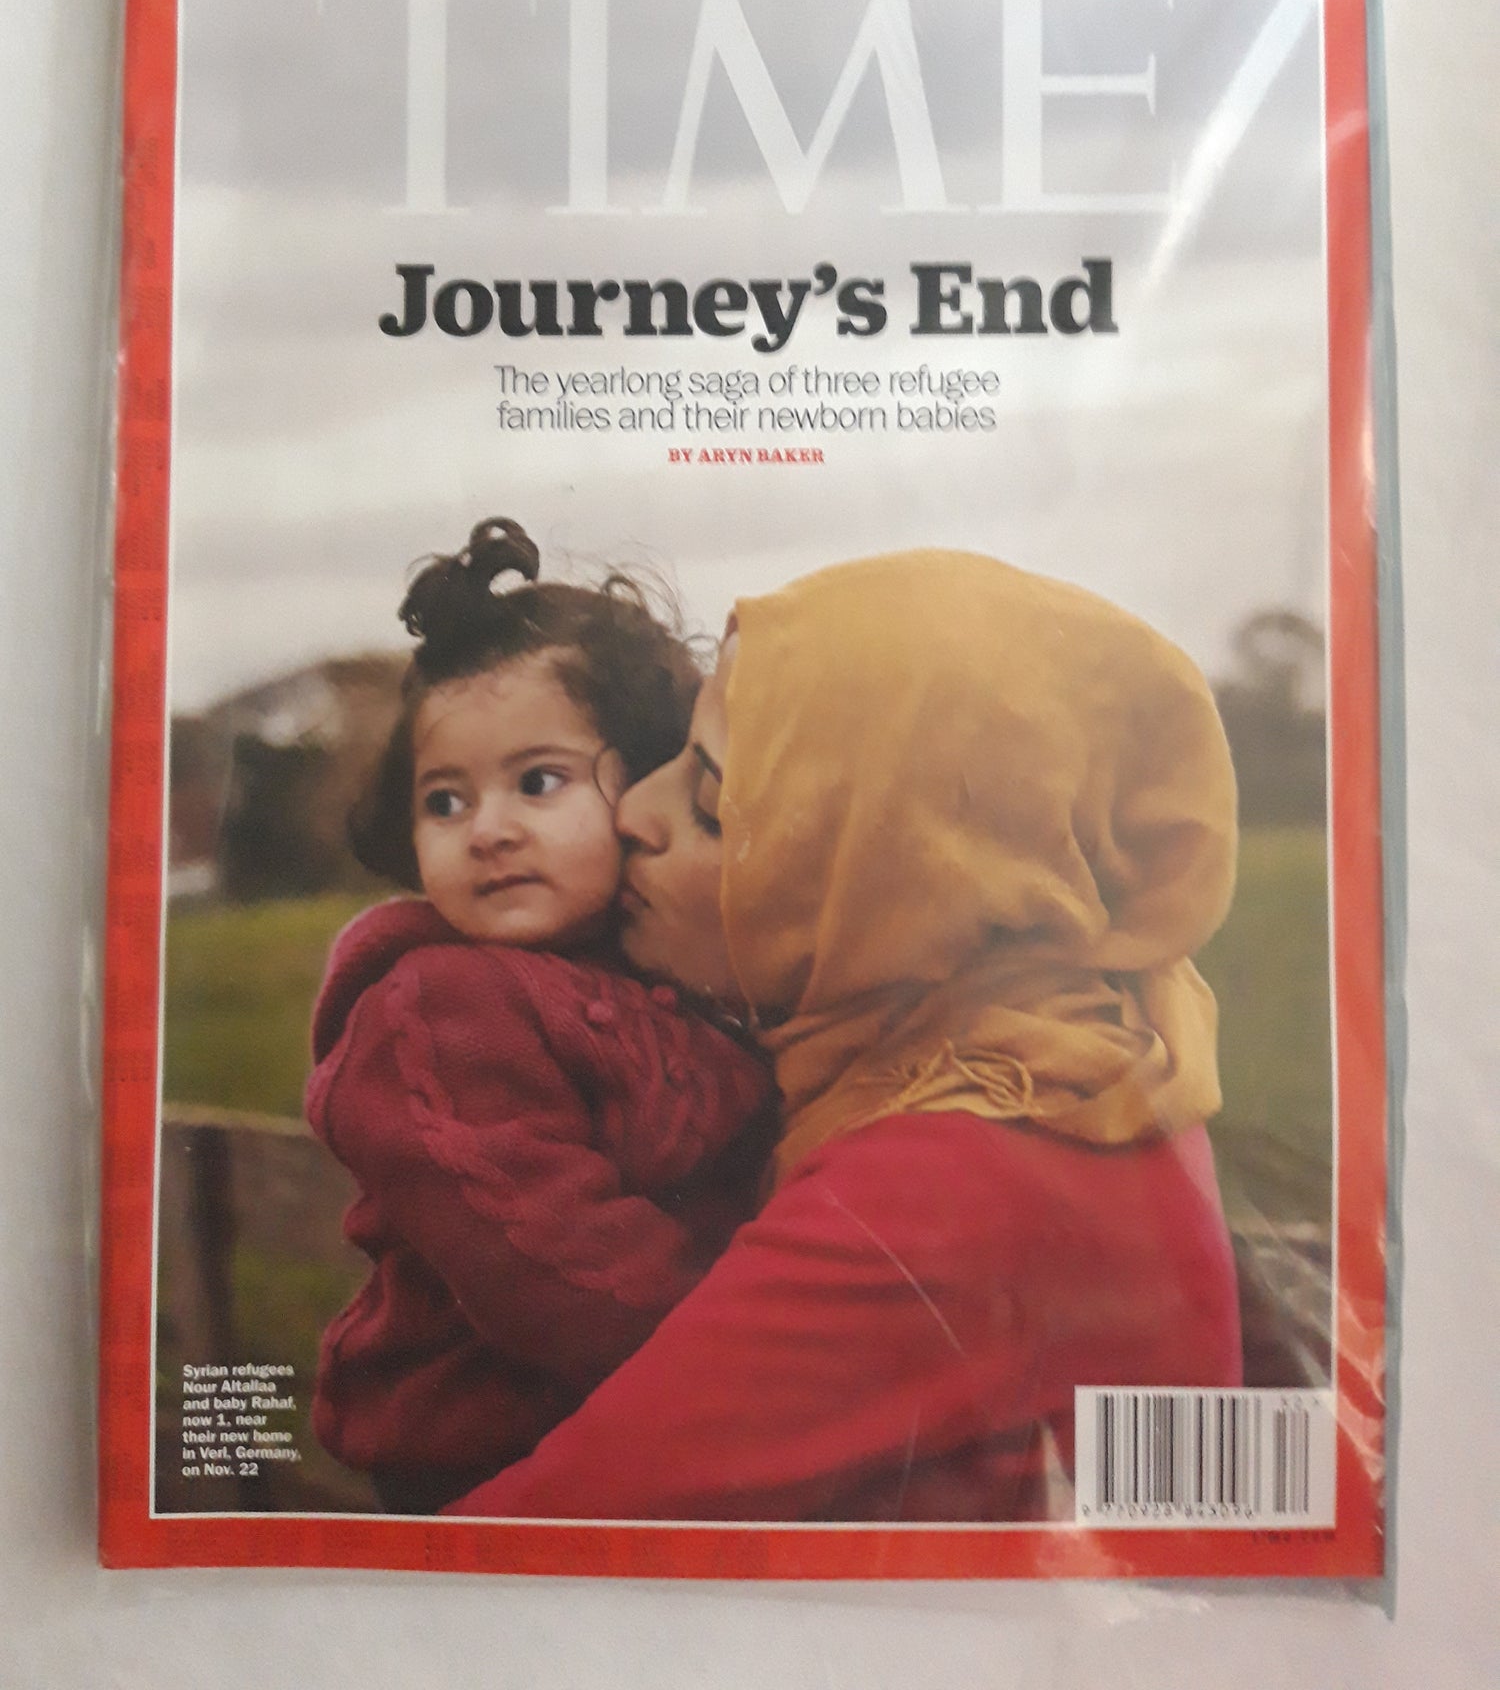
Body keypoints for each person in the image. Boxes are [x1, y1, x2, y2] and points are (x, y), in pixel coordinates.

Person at [448, 548, 1244, 1523]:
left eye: (712, 805)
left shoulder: (954, 1180)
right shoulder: (1084, 1050)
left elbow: (533, 1534)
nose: (634, 813)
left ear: (893, 879)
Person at [304, 519, 772, 1514]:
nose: (489, 830)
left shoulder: (671, 960)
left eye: (538, 782)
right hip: (483, 1458)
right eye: (444, 801)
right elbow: (547, 1260)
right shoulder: (443, 1010)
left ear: (647, 780)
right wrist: (756, 1355)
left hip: (635, 1420)